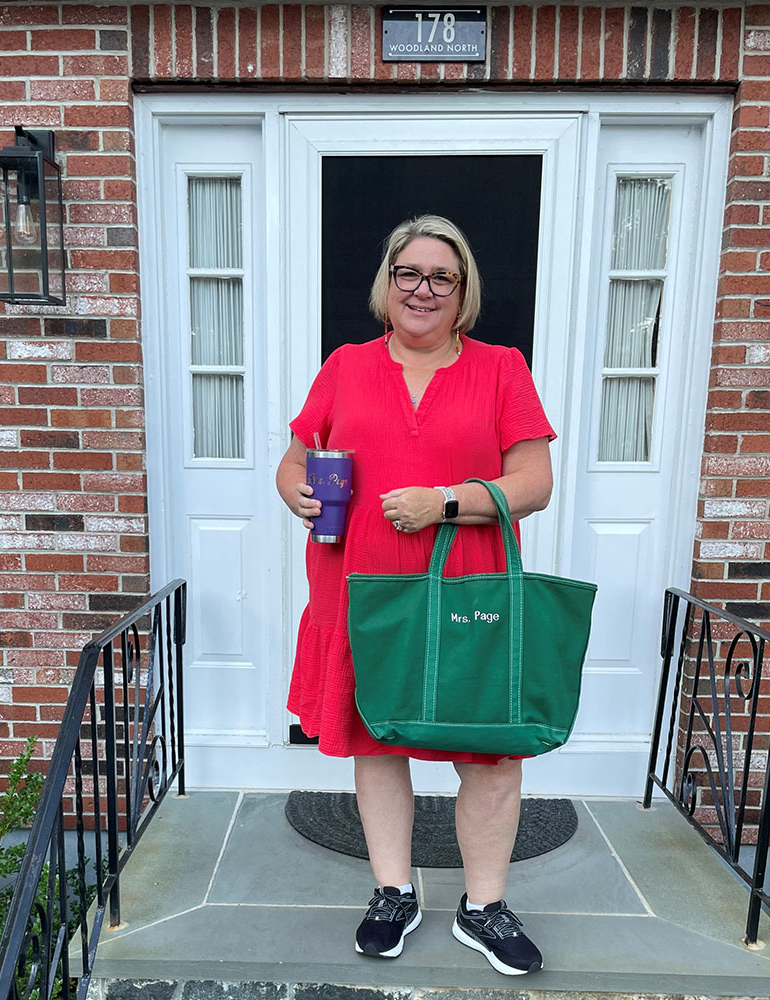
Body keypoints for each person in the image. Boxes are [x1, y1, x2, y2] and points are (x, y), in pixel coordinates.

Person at [275, 215, 556, 976]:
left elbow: (534, 483)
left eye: (441, 277)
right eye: (409, 273)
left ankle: (483, 906)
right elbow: (296, 458)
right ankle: (393, 891)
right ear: (388, 283)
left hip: (469, 594)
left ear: (462, 292)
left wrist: (447, 502)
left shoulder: (501, 368)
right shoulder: (345, 366)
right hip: (361, 589)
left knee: (491, 754)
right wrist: (295, 491)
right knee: (376, 741)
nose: (422, 290)